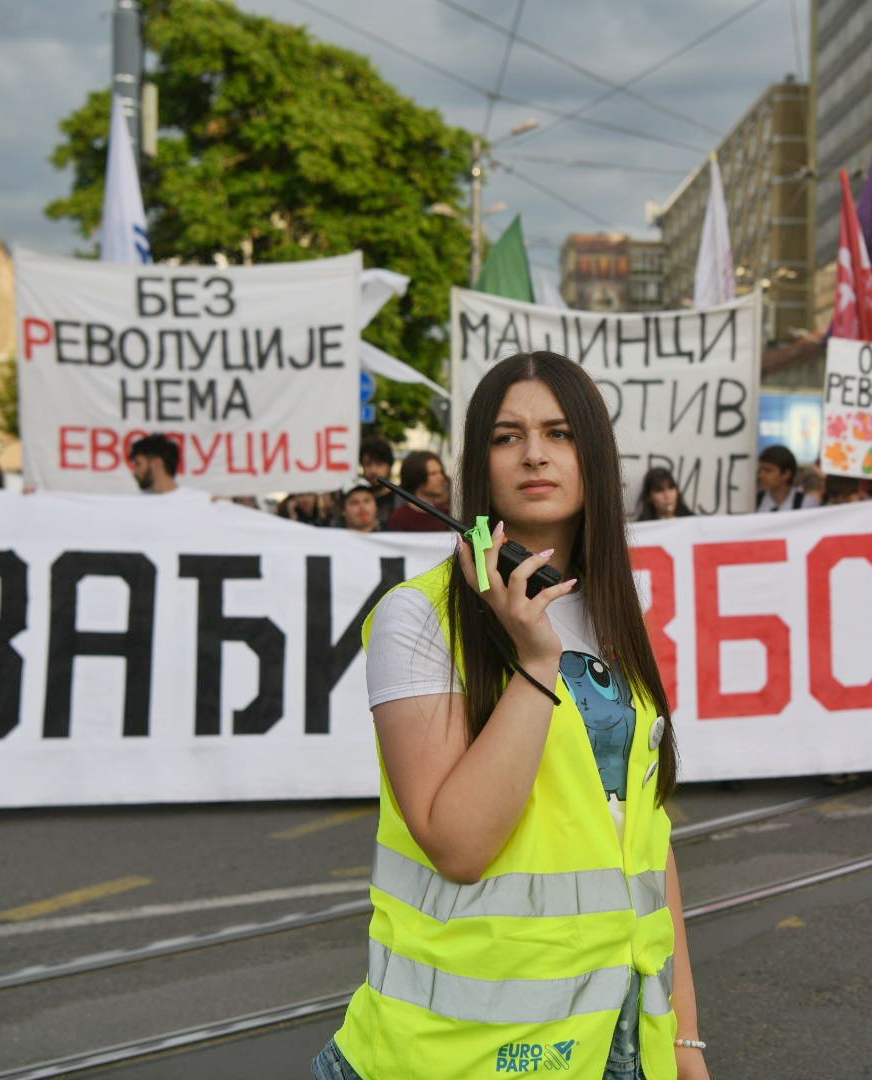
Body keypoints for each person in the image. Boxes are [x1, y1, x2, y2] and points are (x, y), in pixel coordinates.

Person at [313, 351, 707, 1080]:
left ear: (594, 455)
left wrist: (686, 1042)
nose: (535, 454)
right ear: (478, 466)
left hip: (618, 1047)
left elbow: (647, 842)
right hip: (459, 1057)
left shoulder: (617, 614)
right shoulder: (418, 619)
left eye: (559, 433)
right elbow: (459, 845)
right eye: (506, 436)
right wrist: (533, 660)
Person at [384, 450, 451, 531]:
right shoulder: (399, 519)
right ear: (417, 476)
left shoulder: (448, 516)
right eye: (433, 473)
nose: (441, 478)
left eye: (441, 472)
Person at [756, 445, 810, 511]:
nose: (761, 475)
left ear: (786, 474)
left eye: (768, 470)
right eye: (760, 470)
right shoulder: (755, 501)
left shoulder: (806, 502)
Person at [359, 436, 399, 523]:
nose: (373, 470)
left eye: (379, 464)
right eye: (368, 464)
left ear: (389, 466)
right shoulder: (357, 498)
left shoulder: (401, 499)